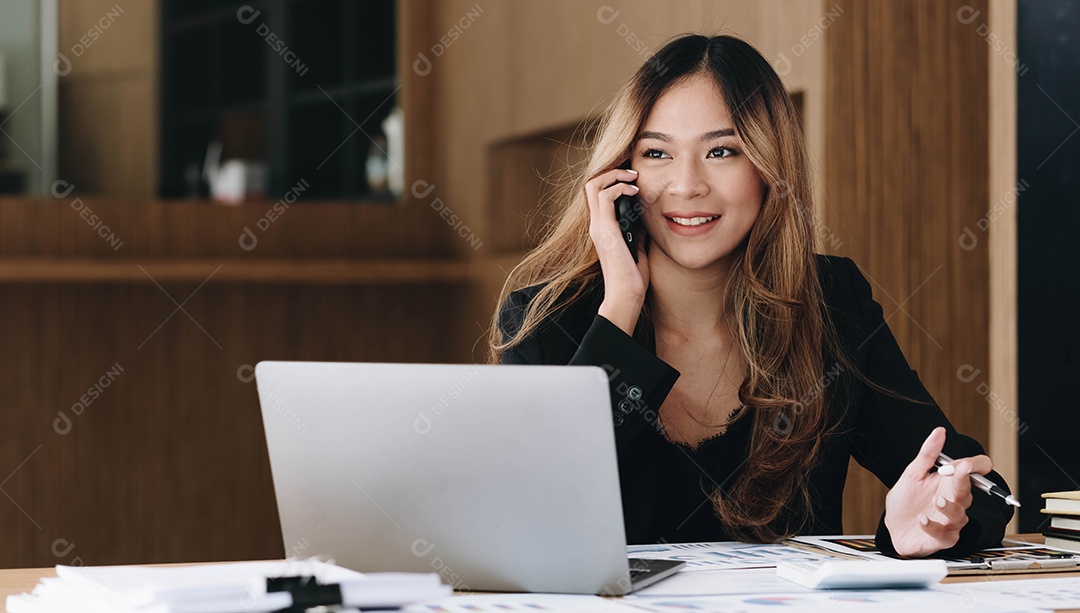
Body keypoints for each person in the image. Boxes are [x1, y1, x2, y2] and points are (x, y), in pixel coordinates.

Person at [486, 33, 1014, 558]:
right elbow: (529, 519)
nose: (686, 185)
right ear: (622, 176)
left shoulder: (832, 302)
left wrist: (928, 524)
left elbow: (975, 486)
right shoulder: (545, 322)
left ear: (768, 167)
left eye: (721, 150)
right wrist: (620, 304)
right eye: (656, 152)